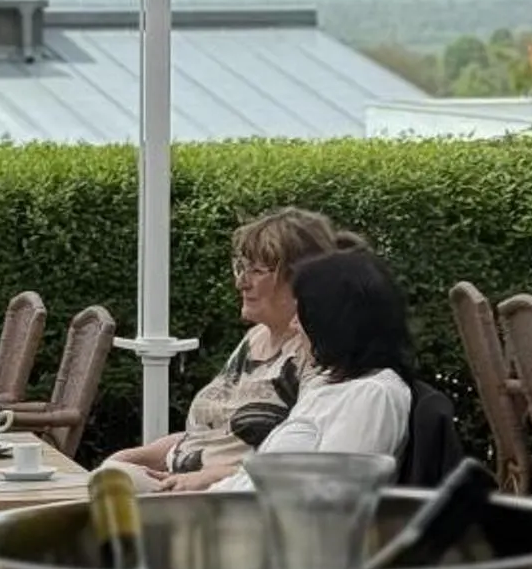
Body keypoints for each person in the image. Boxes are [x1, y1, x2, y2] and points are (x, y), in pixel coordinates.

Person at [105, 207, 355, 495]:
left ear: (300, 278)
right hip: (177, 482)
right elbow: (210, 437)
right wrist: (131, 456)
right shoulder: (254, 339)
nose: (241, 282)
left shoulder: (312, 353)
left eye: (257, 271)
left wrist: (212, 477)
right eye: (241, 267)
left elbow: (303, 459)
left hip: (226, 498)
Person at [209, 248, 421, 488]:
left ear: (329, 318)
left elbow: (332, 495)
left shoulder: (372, 395)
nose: (293, 324)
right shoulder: (328, 383)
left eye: (302, 312)